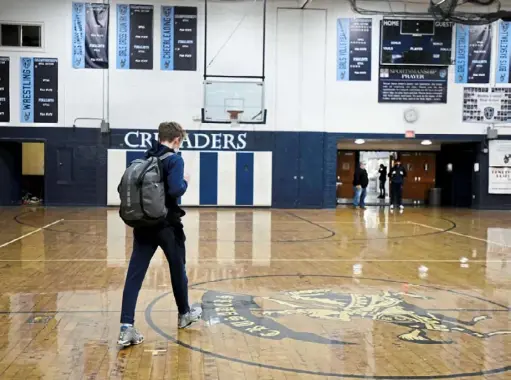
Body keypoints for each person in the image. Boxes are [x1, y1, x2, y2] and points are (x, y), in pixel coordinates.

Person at [117, 122, 202, 348]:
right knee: (177, 268)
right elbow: (175, 190)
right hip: (167, 225)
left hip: (143, 225)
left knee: (134, 274)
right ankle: (184, 314)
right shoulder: (174, 159)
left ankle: (126, 327)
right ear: (176, 140)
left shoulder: (146, 157)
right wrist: (186, 181)